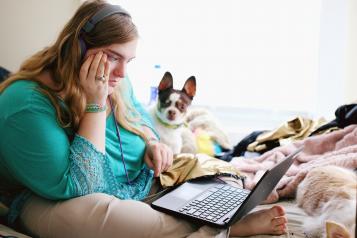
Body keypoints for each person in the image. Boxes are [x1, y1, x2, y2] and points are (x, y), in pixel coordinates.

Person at [0, 1, 288, 237]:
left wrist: (152, 142)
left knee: (215, 172)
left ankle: (218, 211)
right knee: (105, 219)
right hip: (60, 199)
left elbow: (142, 119)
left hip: (142, 182)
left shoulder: (116, 80)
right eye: (113, 57)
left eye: (129, 61)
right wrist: (95, 103)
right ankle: (225, 225)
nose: (123, 73)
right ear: (79, 48)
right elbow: (81, 186)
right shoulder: (25, 104)